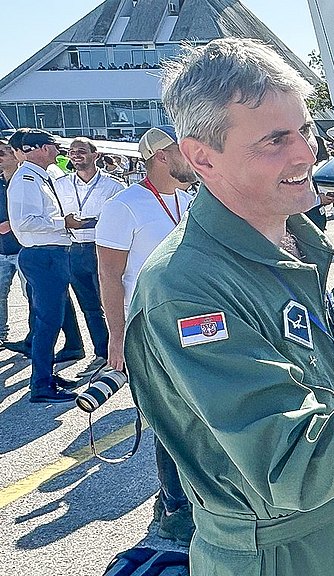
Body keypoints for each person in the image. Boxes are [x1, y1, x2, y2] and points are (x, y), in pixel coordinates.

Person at [123, 38, 334, 575]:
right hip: (275, 555)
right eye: (275, 139)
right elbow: (293, 464)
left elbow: (304, 381)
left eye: (306, 130)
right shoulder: (186, 287)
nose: (307, 153)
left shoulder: (295, 245)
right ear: (201, 157)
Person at [96, 125, 199, 543]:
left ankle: (179, 498)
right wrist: (116, 338)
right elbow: (109, 275)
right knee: (168, 420)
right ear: (160, 155)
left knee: (194, 418)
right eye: (181, 149)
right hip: (149, 331)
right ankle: (176, 508)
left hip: (189, 328)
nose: (191, 156)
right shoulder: (126, 206)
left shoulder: (186, 199)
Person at [6, 128, 79, 402]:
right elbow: (23, 222)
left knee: (50, 319)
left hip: (51, 254)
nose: (56, 150)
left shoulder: (39, 177)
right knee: (48, 321)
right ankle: (41, 385)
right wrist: (64, 223)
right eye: (51, 145)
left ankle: (45, 373)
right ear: (36, 149)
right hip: (43, 256)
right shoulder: (26, 179)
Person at [54, 137, 124, 373]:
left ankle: (123, 350)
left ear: (95, 155)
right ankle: (102, 353)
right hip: (74, 250)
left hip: (101, 249)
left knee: (113, 303)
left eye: (81, 151)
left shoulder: (114, 186)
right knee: (89, 307)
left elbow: (118, 220)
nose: (75, 155)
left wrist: (91, 223)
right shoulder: (61, 185)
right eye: (72, 151)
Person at [0, 138, 23, 346]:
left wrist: (13, 224)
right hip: (2, 250)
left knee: (33, 296)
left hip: (25, 248)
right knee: (0, 294)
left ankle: (34, 338)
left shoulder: (26, 181)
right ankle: (1, 334)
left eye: (4, 152)